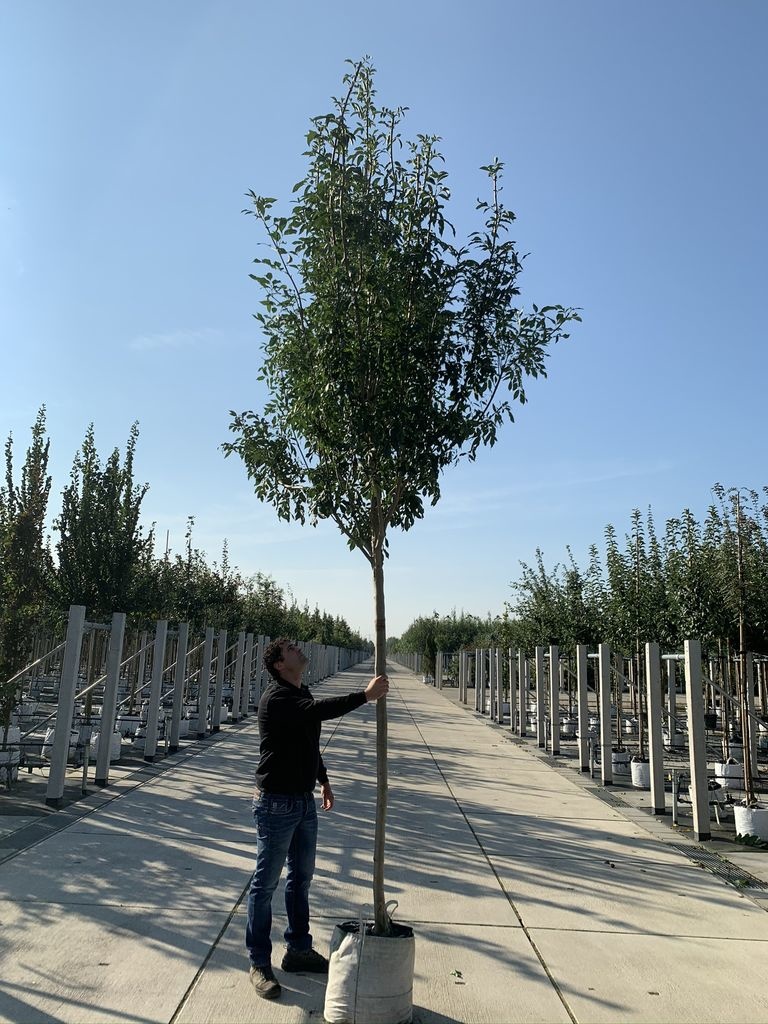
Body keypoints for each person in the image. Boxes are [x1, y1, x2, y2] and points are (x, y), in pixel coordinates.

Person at [246, 637, 389, 1001]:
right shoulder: (278, 699)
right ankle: (259, 962)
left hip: (303, 802)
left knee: (301, 879)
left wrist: (323, 780)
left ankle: (298, 950)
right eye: (291, 649)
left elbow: (309, 741)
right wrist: (364, 696)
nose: (298, 650)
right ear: (280, 665)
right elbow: (315, 713)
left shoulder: (300, 691)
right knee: (265, 885)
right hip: (276, 803)